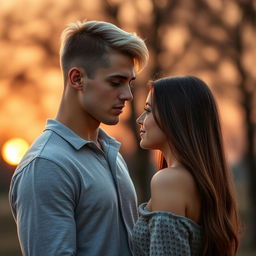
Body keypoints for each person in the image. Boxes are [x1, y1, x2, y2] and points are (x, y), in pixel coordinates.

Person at [9, 20, 149, 256]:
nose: (127, 95)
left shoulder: (112, 154)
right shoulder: (46, 166)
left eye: (129, 83)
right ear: (77, 79)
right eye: (115, 82)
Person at [132, 76, 240, 256]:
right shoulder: (206, 182)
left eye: (148, 110)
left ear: (174, 116)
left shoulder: (169, 181)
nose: (140, 119)